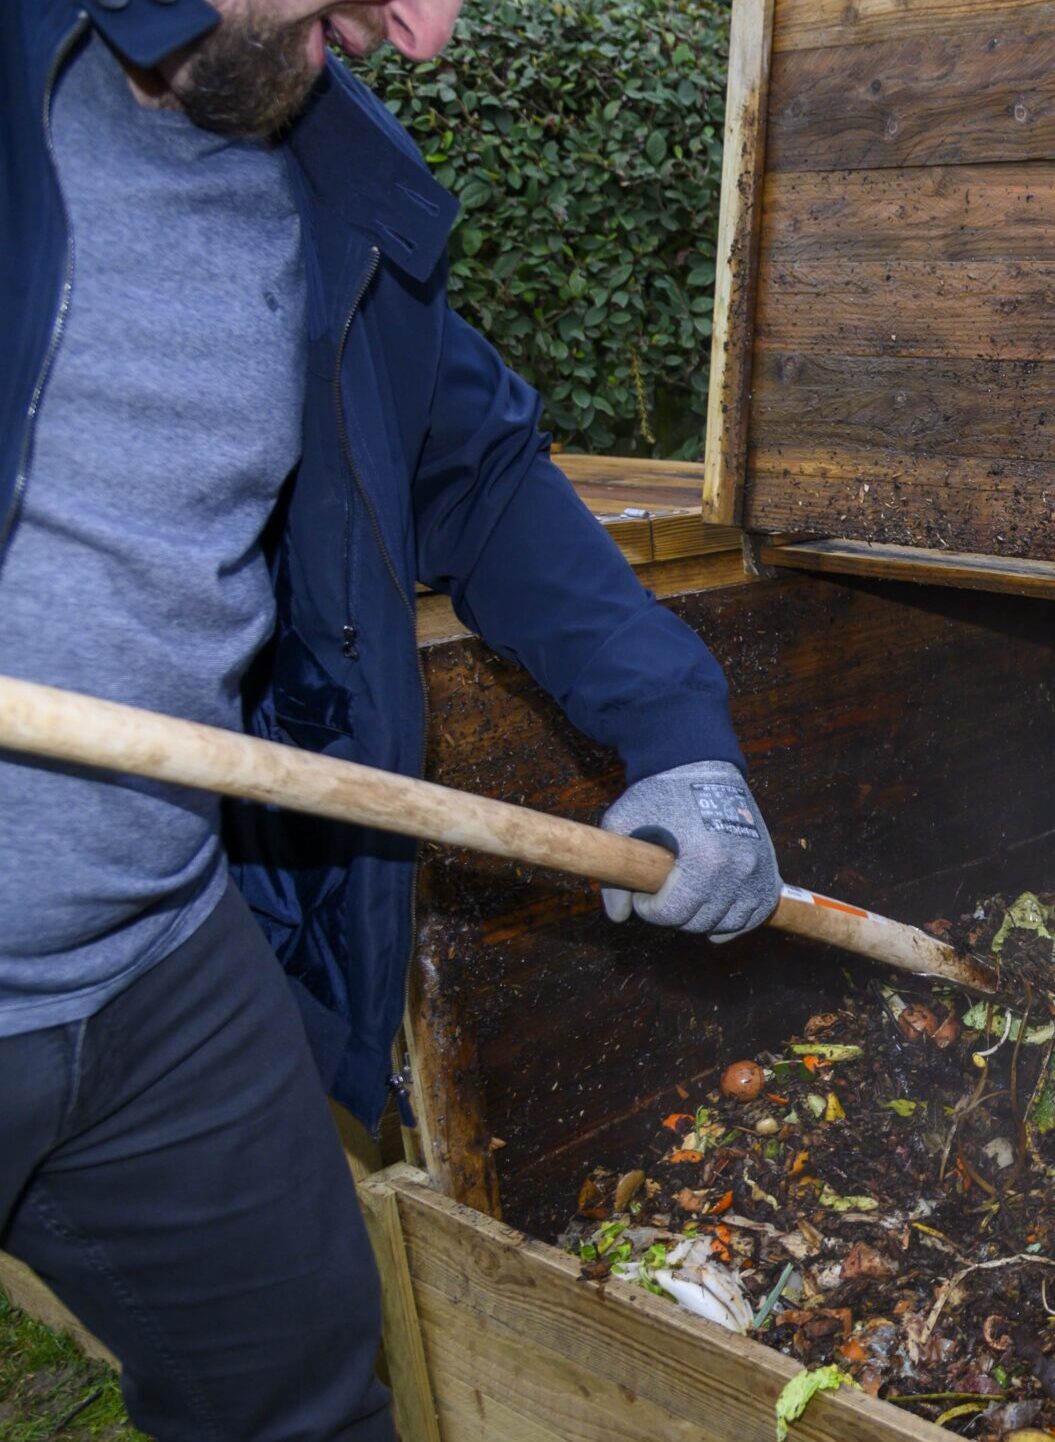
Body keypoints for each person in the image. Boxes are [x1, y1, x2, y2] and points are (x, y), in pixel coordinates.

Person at [0, 2, 783, 1436]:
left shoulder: (326, 178)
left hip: (159, 963)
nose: (421, 36)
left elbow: (472, 474)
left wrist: (682, 733)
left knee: (304, 1399)